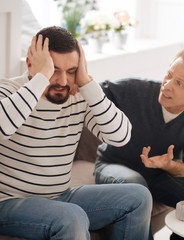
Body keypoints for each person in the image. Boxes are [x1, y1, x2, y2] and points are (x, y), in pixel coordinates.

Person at [0, 26, 153, 240]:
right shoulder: (8, 90)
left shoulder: (77, 96)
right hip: (8, 203)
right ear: (31, 64)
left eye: (70, 71)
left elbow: (121, 136)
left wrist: (87, 83)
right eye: (53, 69)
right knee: (72, 217)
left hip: (60, 196)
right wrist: (41, 77)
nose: (63, 81)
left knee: (138, 197)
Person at [94, 47, 184, 211]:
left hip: (160, 174)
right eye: (169, 75)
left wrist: (168, 165)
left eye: (179, 83)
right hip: (113, 165)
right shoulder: (135, 89)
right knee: (137, 188)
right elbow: (94, 93)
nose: (167, 86)